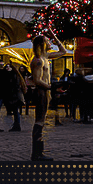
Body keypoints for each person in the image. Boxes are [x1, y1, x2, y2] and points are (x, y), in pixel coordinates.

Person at [29, 30, 67, 162]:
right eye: (47, 40)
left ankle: (38, 152)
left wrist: (54, 36)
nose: (50, 42)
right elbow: (37, 80)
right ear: (42, 44)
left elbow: (63, 52)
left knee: (42, 120)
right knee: (39, 120)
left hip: (45, 91)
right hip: (41, 92)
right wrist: (52, 87)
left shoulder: (45, 57)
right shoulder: (39, 60)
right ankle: (37, 153)